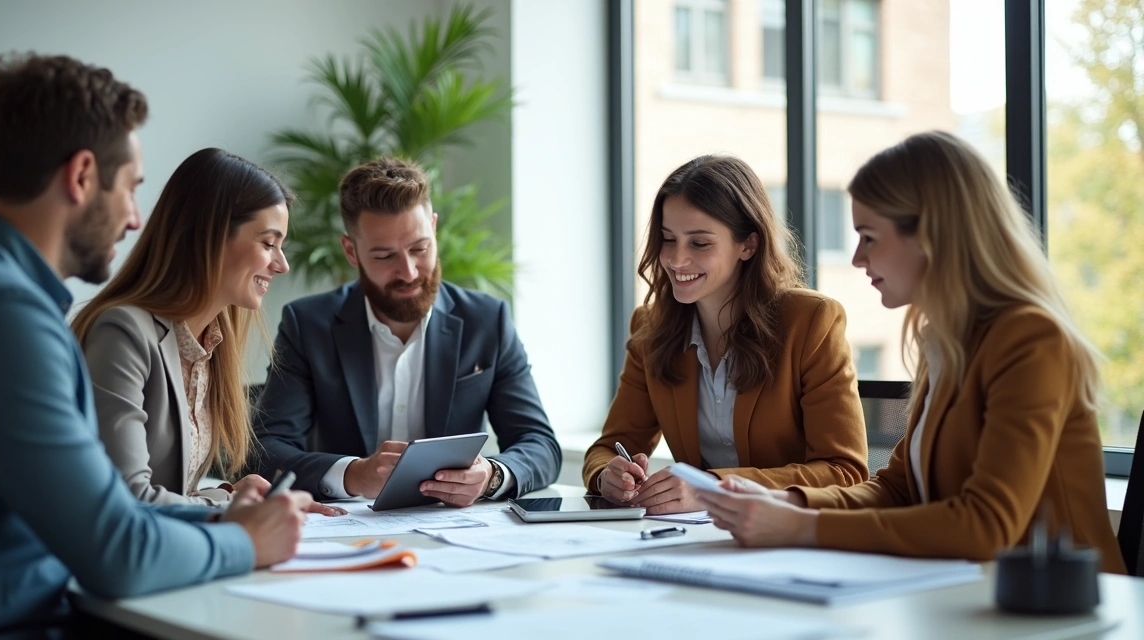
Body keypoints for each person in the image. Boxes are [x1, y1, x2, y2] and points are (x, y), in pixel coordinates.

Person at [0, 53, 315, 638]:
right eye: (131, 187)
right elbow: (117, 550)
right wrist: (243, 539)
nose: (136, 219)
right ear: (82, 176)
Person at [692, 131, 1128, 574]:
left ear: (930, 236)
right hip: (972, 596)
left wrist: (804, 527)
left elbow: (986, 525)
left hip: (1064, 608)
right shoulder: (949, 341)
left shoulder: (1031, 339)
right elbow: (897, 489)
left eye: (869, 237)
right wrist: (788, 502)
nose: (859, 258)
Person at [252, 156, 561, 506]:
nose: (409, 272)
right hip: (347, 534)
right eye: (385, 256)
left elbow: (540, 444)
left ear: (433, 226)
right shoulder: (308, 325)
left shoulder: (487, 321)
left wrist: (491, 476)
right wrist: (351, 474)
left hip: (461, 533)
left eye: (420, 248)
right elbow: (266, 449)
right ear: (351, 252)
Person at [583, 154, 869, 515]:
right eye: (668, 239)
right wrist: (607, 475)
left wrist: (713, 488)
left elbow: (845, 472)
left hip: (789, 535)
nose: (675, 259)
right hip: (693, 537)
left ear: (748, 245)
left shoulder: (811, 321)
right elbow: (607, 449)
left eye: (699, 244)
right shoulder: (650, 328)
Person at [71, 148, 341, 515]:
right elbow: (129, 499)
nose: (282, 265)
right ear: (211, 237)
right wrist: (234, 509)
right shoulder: (122, 334)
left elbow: (177, 490)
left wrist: (232, 496)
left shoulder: (212, 342)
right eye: (268, 243)